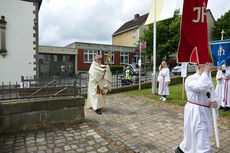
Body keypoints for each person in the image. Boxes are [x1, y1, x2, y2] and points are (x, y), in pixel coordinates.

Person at [175, 63, 218, 153]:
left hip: (205, 112)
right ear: (199, 67)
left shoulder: (207, 78)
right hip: (195, 113)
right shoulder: (190, 79)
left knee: (197, 135)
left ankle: (182, 149)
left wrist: (213, 103)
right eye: (205, 65)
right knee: (200, 135)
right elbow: (200, 87)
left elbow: (211, 95)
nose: (209, 67)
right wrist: (205, 72)